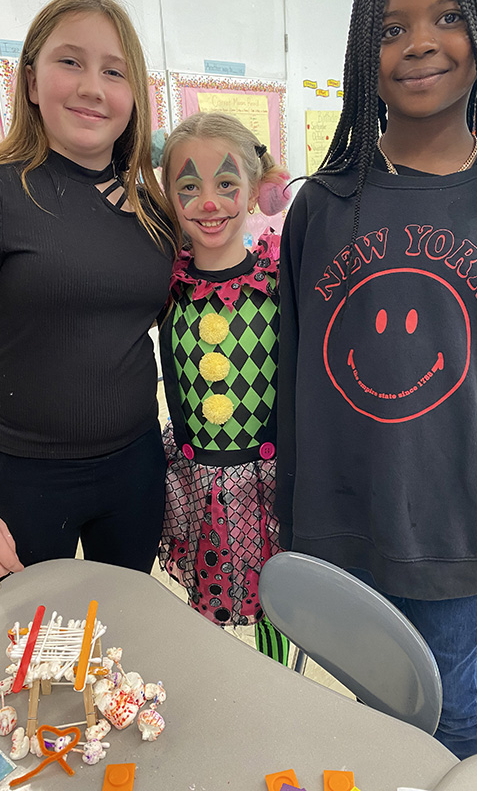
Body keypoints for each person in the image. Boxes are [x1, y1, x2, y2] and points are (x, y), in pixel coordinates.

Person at [276, 0, 477, 760]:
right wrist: (294, 528)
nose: (419, 43)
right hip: (338, 524)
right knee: (375, 700)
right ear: (362, 52)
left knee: (448, 703)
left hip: (457, 530)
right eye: (391, 28)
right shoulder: (320, 206)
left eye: (449, 16)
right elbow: (294, 384)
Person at [0, 0, 178, 584]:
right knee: (28, 651)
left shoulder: (152, 210)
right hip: (25, 475)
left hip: (135, 465)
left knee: (123, 638)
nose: (93, 86)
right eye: (70, 61)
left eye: (114, 71)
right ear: (31, 81)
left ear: (134, 95)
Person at [157, 112, 292, 661]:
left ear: (259, 191)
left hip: (269, 478)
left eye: (226, 184)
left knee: (277, 604)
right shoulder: (163, 284)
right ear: (168, 195)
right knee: (205, 604)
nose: (209, 203)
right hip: (198, 477)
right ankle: (211, 686)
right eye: (189, 187)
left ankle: (274, 685)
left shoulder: (281, 281)